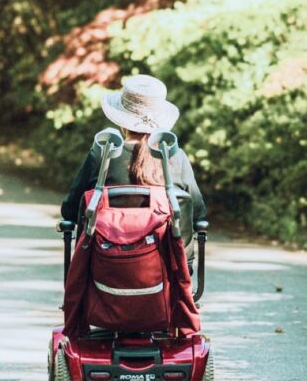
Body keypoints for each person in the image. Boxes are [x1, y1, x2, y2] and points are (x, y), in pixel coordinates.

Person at [60, 76, 206, 254]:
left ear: (122, 122)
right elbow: (197, 213)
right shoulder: (176, 157)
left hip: (103, 262)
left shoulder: (101, 155)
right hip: (166, 264)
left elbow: (70, 209)